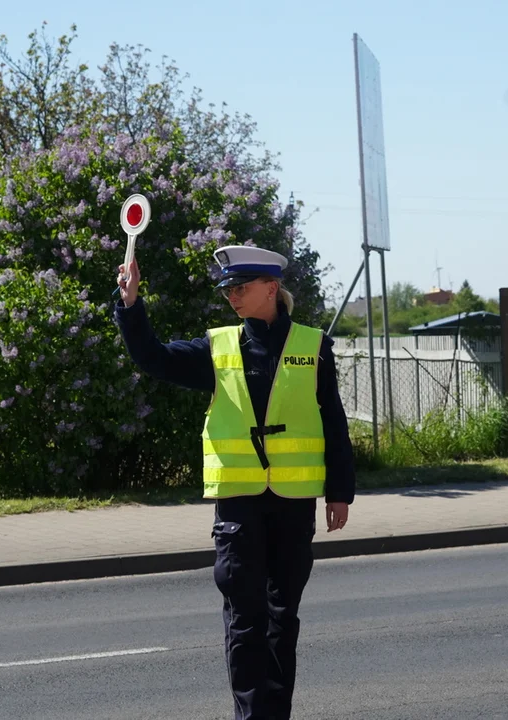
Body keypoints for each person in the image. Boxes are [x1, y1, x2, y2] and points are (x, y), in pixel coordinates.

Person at [113, 244, 356, 720]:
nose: (231, 297)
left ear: (271, 289)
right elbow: (154, 358)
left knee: (282, 621)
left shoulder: (313, 346)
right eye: (227, 289)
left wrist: (340, 491)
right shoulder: (219, 347)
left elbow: (334, 422)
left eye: (240, 288)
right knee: (246, 621)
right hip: (239, 508)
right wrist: (131, 305)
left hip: (292, 505)